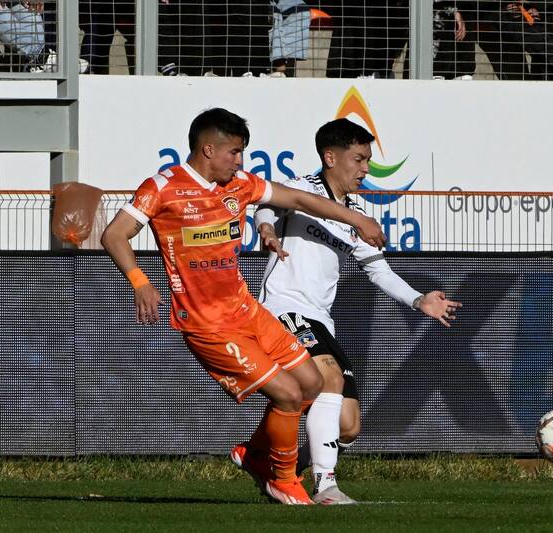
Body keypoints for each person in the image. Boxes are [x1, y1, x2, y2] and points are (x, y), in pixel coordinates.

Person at [101, 108, 386, 505]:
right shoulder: (163, 187)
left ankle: (254, 455)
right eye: (234, 152)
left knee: (312, 383)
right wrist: (140, 283)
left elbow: (300, 198)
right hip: (207, 324)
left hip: (247, 310)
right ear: (208, 149)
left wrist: (355, 219)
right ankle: (283, 479)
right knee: (288, 394)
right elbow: (114, 234)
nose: (240, 161)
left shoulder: (239, 185)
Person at [248, 118, 462, 504]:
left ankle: (260, 459)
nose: (366, 169)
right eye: (360, 159)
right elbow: (264, 204)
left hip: (319, 318)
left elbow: (378, 269)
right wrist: (265, 230)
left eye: (367, 161)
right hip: (282, 306)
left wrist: (419, 300)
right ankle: (325, 486)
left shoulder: (355, 218)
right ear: (330, 157)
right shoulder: (301, 188)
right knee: (328, 375)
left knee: (348, 427)